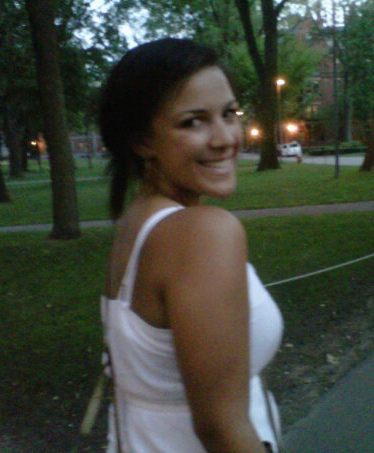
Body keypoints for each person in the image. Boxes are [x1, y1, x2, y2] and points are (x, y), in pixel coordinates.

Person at [98, 38, 284, 452]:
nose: (225, 138)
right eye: (193, 122)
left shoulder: (138, 221)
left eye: (229, 114)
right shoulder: (202, 232)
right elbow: (221, 428)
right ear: (142, 141)